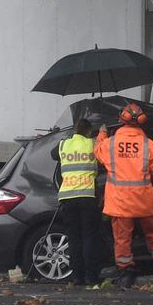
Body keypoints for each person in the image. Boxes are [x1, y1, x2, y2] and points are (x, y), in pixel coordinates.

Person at [94, 103, 153, 288]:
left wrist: (102, 133)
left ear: (121, 119)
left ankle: (126, 272)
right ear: (142, 121)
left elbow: (97, 152)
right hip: (144, 200)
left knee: (122, 240)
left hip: (120, 203)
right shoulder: (149, 145)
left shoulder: (109, 144)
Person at [50, 118, 101, 286]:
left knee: (74, 237)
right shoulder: (92, 144)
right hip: (87, 196)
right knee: (88, 237)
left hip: (68, 197)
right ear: (88, 131)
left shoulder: (64, 145)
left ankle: (76, 276)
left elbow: (52, 154)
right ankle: (90, 276)